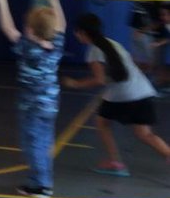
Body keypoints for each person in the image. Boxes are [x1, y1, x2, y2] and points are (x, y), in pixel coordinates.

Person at [64, 12, 170, 175]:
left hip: (125, 94)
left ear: (83, 33)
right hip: (142, 90)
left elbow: (100, 80)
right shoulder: (113, 44)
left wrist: (76, 83)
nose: (76, 35)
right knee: (145, 134)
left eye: (77, 32)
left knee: (102, 122)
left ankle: (115, 162)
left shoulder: (94, 51)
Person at [0, 0, 66, 198]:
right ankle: (43, 181)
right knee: (44, 141)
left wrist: (1, 0)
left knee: (32, 143)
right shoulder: (56, 45)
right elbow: (61, 24)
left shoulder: (27, 48)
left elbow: (7, 28)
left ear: (31, 31)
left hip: (31, 106)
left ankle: (41, 184)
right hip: (50, 103)